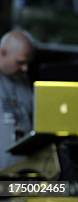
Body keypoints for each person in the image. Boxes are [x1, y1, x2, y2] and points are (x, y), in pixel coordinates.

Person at [0, 30, 35, 170]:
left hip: (23, 177)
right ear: (2, 53)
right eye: (20, 62)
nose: (25, 68)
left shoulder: (23, 81)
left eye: (27, 63)